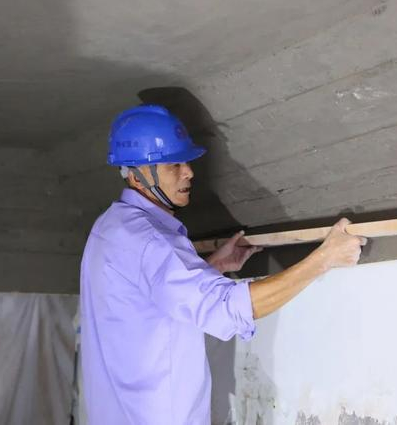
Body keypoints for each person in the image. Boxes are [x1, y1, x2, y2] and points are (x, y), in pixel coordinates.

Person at [79, 104, 366, 424]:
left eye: (186, 161)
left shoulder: (110, 228)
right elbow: (229, 309)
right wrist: (324, 258)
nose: (189, 172)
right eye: (174, 164)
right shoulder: (150, 240)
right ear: (136, 175)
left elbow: (150, 296)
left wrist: (212, 267)